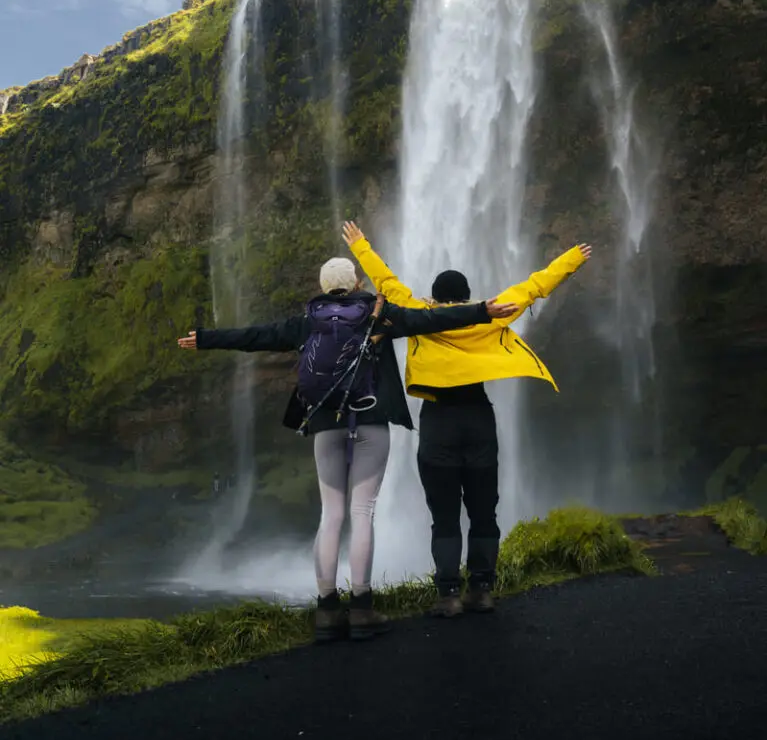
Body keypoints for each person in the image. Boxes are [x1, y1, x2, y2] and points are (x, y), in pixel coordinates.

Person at [177, 256, 519, 643]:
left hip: (325, 424)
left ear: (324, 287)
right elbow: (430, 320)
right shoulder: (379, 313)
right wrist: (482, 311)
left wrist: (205, 338)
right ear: (356, 283)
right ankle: (361, 607)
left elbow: (255, 337)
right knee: (363, 511)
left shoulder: (306, 322)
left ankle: (326, 609)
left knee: (332, 514)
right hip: (371, 421)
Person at [342, 220, 592, 618]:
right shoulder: (488, 315)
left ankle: (447, 596)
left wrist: (361, 247)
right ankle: (482, 589)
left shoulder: (421, 315)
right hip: (479, 421)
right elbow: (534, 287)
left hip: (439, 422)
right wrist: (571, 259)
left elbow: (386, 283)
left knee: (443, 514)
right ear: (468, 296)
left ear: (435, 298)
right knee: (483, 510)